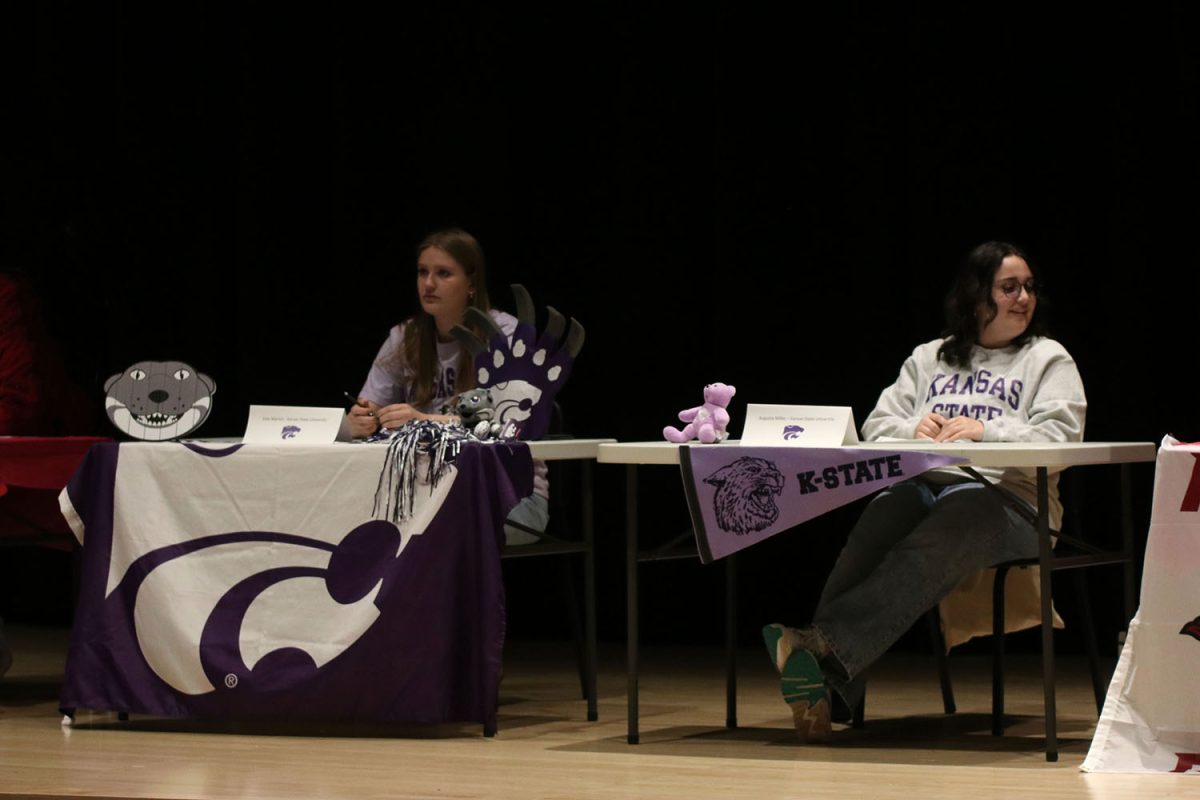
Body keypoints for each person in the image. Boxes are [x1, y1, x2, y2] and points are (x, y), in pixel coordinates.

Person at [762, 241, 1086, 742]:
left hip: (1014, 506)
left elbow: (1062, 440)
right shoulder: (929, 357)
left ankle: (818, 646)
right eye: (1009, 287)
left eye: (1028, 287)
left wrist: (986, 431)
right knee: (881, 517)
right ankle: (827, 690)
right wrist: (914, 427)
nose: (1024, 297)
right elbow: (877, 424)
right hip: (929, 487)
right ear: (977, 297)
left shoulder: (1048, 359)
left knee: (955, 519)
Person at [346, 228, 548, 543]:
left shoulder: (506, 336)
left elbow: (512, 425)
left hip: (509, 494)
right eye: (423, 272)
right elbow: (364, 410)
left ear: (471, 285)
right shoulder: (405, 337)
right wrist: (359, 421)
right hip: (419, 489)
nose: (428, 284)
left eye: (443, 274)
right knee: (347, 514)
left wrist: (424, 421)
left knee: (428, 527)